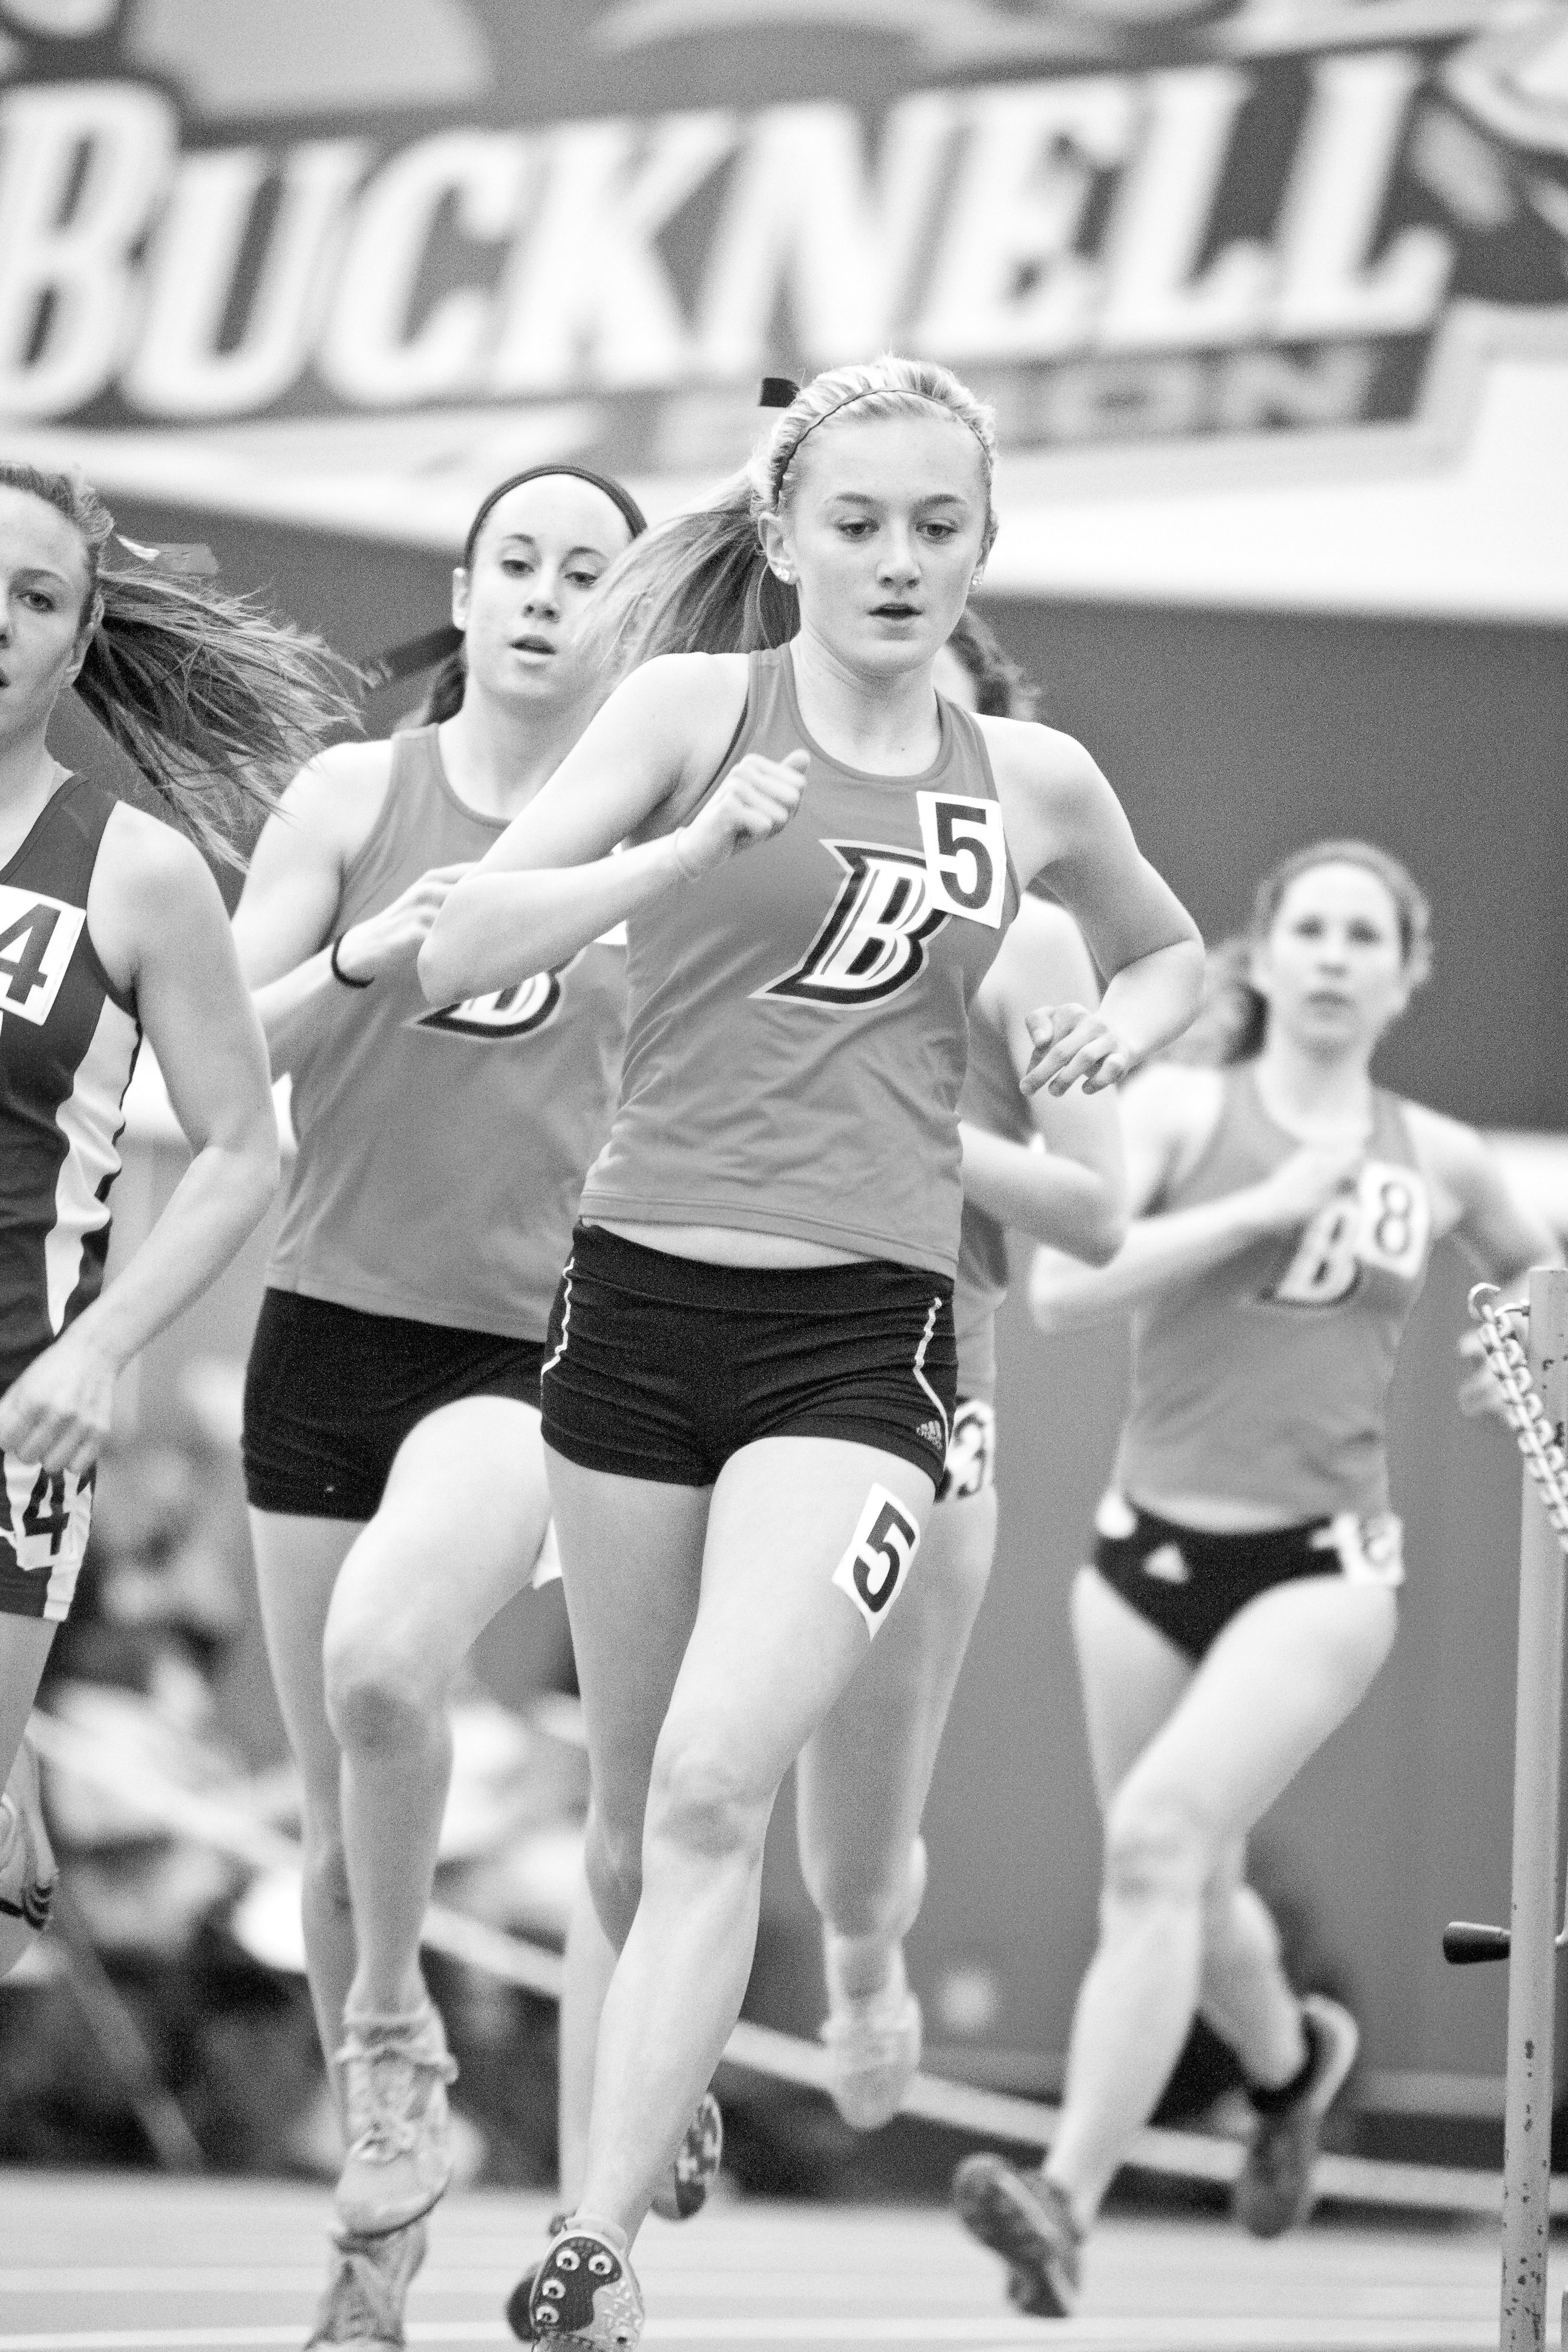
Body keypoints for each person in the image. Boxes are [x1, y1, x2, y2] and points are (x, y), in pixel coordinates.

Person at [420, 352, 1204, 2351]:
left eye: (938, 522)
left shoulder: (1032, 782)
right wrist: (682, 850)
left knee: (710, 1779)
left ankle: (591, 2242)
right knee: (624, 1810)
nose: (896, 556)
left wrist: (1142, 1028)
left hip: (867, 1340)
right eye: (855, 518)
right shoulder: (693, 711)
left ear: (985, 544)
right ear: (782, 535)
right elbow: (469, 940)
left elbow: (1177, 945)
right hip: (638, 1304)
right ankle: (673, 2076)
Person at [952, 840, 1560, 2317]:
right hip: (1146, 1555)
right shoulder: (1178, 1117)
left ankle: (1063, 2200)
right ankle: (1293, 2069)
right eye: (1316, 930)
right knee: (1193, 1879)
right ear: (1268, 956)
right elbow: (1064, 1287)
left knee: (1156, 1844)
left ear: (1405, 973)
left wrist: (1525, 1356)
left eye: (1370, 935)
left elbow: (1537, 1281)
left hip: (1324, 1569)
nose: (1340, 955)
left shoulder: (1444, 1153)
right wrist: (1256, 1211)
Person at [230, 466, 644, 2349]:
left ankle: (403, 2042)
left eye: (588, 572)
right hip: (326, 1328)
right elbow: (224, 1058)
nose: (550, 596)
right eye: (522, 564)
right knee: (333, 1831)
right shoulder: (353, 800)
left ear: (627, 613)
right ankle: (370, 2251)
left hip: (527, 1355)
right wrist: (361, 953)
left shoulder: (656, 841)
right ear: (464, 592)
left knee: (393, 1666)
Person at [0, 460, 347, 1976]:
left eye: (35, 597)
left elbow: (239, 1152)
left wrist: (106, 1350)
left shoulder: (134, 874)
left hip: (19, 1400)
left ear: (80, 643)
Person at [795, 610, 1127, 2128]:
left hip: (936, 1383)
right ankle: (648, 2083)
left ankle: (867, 1961)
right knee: (670, 1762)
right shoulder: (770, 871)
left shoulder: (1044, 943)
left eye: (955, 724)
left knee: (853, 1845)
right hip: (716, 1332)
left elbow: (1097, 1205)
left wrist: (919, 1125)